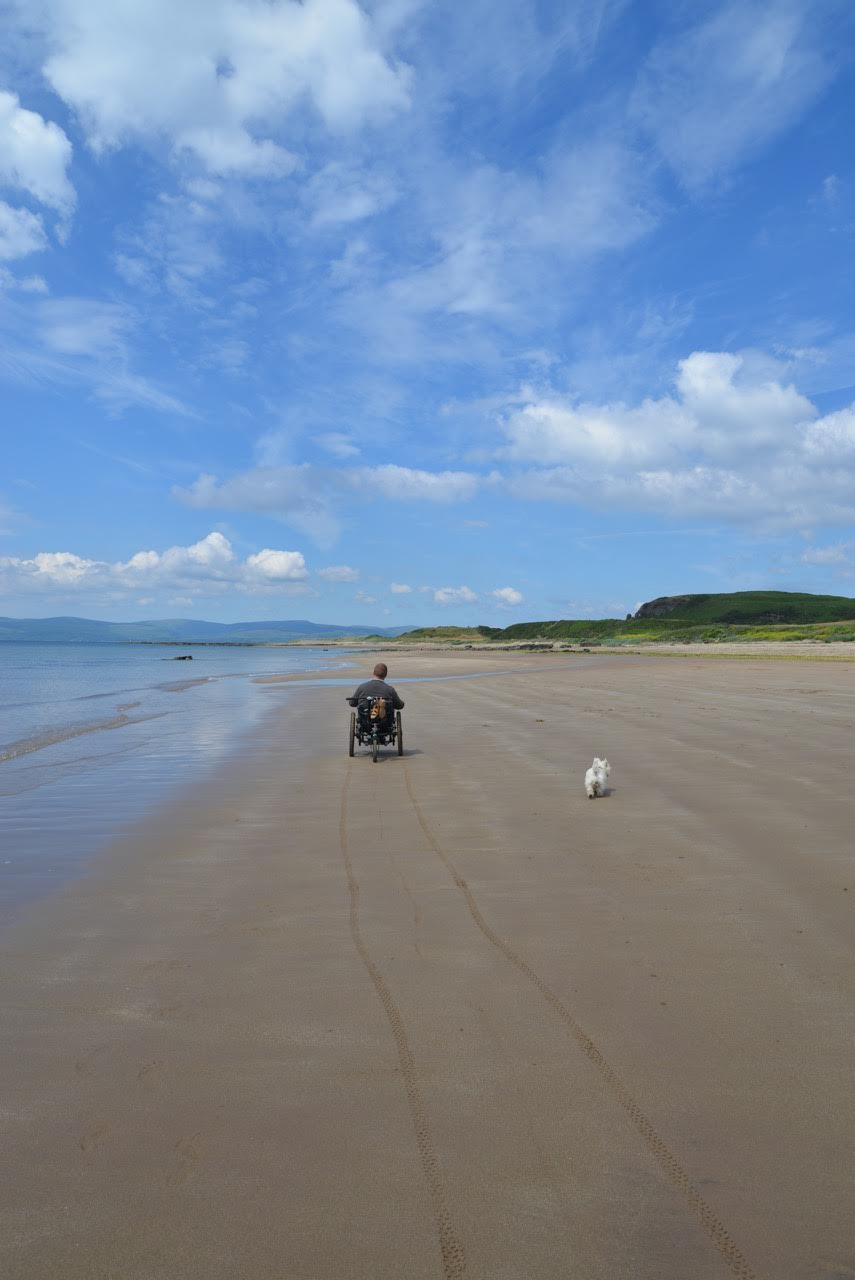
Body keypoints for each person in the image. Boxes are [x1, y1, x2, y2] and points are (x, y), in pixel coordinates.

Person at [347, 662, 404, 731]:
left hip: (365, 722)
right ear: (385, 675)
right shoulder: (389, 689)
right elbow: (399, 706)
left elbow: (352, 703)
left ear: (373, 673)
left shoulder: (362, 687)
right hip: (385, 724)